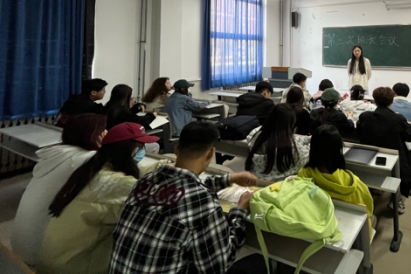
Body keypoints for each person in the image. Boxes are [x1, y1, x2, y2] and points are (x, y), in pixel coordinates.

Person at [110, 122, 266, 274]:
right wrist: (240, 211)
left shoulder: (145, 181)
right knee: (258, 264)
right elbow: (218, 266)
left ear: (176, 149)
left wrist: (230, 179)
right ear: (210, 153)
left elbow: (182, 189)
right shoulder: (203, 203)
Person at [38, 122, 161, 274]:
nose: (142, 150)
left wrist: (162, 165)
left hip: (57, 261)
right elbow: (154, 199)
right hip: (77, 267)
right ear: (127, 151)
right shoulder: (120, 184)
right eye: (140, 147)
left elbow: (135, 172)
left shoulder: (93, 169)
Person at [12, 114, 107, 266]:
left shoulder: (59, 152)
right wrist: (107, 147)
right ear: (93, 135)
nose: (107, 133)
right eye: (103, 130)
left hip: (20, 244)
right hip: (40, 253)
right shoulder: (86, 158)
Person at [298, 125, 375, 236]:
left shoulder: (303, 175)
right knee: (373, 219)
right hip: (349, 232)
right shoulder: (354, 184)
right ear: (338, 150)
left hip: (317, 227)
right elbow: (368, 209)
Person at [358, 87, 411, 214]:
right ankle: (397, 199)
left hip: (369, 160)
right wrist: (408, 125)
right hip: (394, 164)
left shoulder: (364, 117)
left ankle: (376, 189)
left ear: (374, 101)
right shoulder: (397, 119)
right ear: (391, 101)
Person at [245, 104, 310, 181]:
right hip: (279, 186)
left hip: (256, 181)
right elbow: (308, 158)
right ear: (290, 125)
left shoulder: (256, 135)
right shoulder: (292, 148)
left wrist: (307, 139)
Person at [390, 83, 411, 153]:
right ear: (407, 93)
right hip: (409, 136)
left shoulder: (389, 104)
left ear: (393, 92)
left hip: (391, 137)